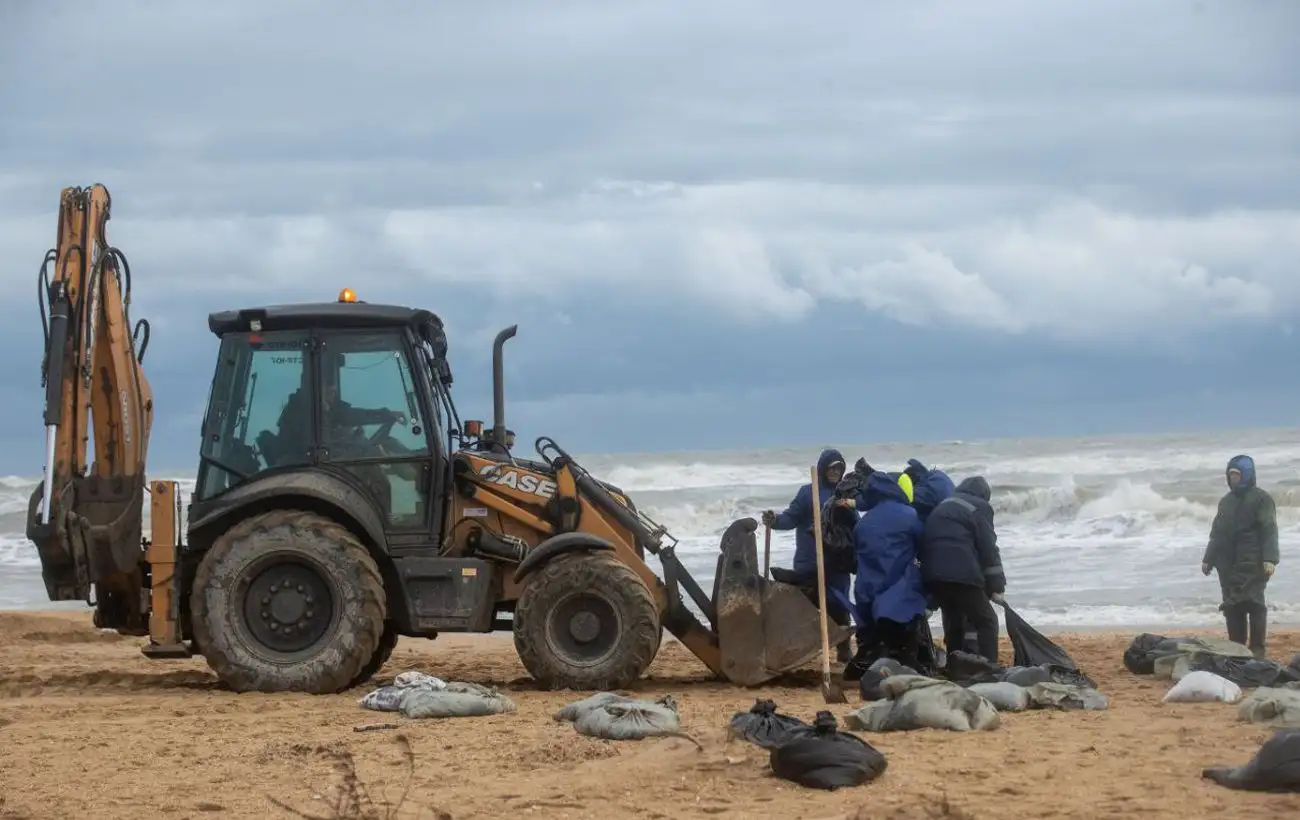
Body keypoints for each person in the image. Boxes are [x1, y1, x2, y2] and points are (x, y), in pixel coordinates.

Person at [762, 448, 855, 662]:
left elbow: (853, 525)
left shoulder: (845, 494)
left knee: (839, 604)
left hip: (837, 563)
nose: (835, 472)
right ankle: (802, 649)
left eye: (839, 468)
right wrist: (774, 521)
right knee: (805, 607)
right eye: (831, 468)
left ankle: (843, 648)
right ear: (822, 469)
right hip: (809, 561)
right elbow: (790, 518)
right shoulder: (808, 493)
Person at [918, 475, 1005, 665]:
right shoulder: (980, 507)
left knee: (953, 618)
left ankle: (955, 664)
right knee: (987, 620)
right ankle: (990, 667)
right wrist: (996, 586)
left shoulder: (943, 505)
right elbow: (988, 548)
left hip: (933, 574)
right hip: (961, 575)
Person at [851, 470, 930, 671]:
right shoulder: (909, 515)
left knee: (876, 638)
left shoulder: (864, 521)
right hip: (898, 587)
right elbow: (923, 546)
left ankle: (874, 655)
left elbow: (857, 553)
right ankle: (906, 654)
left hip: (867, 590)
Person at [1202, 454, 1279, 658]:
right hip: (1227, 564)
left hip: (1253, 562)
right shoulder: (1225, 502)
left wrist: (1270, 558)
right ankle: (1236, 650)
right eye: (1230, 475)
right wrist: (1208, 558)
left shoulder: (1262, 499)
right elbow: (1217, 533)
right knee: (1232, 606)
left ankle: (1257, 651)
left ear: (1247, 475)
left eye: (1236, 475)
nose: (1233, 479)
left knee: (1254, 604)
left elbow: (1269, 529)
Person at [903, 458, 956, 523]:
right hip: (954, 512)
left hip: (945, 521)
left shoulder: (925, 490)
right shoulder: (937, 475)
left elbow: (907, 500)